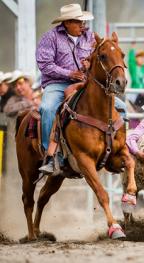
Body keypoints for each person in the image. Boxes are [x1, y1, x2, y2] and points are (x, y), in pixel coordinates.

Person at [36, 3, 95, 173]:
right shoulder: (50, 38)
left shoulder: (89, 37)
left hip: (84, 83)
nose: (82, 25)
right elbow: (45, 65)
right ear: (67, 22)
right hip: (57, 84)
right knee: (47, 108)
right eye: (78, 22)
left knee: (118, 107)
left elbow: (97, 58)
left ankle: (113, 148)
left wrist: (89, 63)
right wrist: (70, 74)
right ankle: (50, 156)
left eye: (83, 22)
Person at [128, 42, 144, 108]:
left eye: (143, 58)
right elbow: (131, 60)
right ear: (136, 59)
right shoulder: (133, 68)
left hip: (143, 93)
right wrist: (132, 47)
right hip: (134, 93)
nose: (142, 59)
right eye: (140, 57)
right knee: (131, 105)